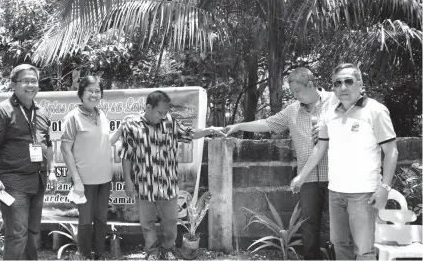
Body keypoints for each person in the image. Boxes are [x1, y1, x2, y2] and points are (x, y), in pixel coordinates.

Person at [224, 67, 339, 260]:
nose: (295, 96)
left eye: (297, 91)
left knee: (338, 225)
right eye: (293, 92)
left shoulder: (336, 101)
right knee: (309, 225)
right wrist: (238, 126)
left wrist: (331, 128)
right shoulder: (293, 110)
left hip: (337, 175)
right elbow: (268, 123)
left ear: (310, 85)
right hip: (307, 176)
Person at [291, 63, 398, 260]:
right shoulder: (330, 113)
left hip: (363, 193)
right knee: (340, 245)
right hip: (336, 192)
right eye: (337, 83)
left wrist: (385, 187)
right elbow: (320, 148)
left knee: (364, 251)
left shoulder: (376, 111)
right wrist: (301, 176)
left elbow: (391, 151)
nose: (343, 87)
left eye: (349, 81)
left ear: (360, 83)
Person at [119, 90, 224, 260]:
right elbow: (126, 156)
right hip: (143, 184)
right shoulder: (132, 125)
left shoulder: (170, 122)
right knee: (147, 224)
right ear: (148, 107)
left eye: (165, 112)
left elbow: (190, 134)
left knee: (171, 222)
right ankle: (152, 252)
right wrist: (128, 181)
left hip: (167, 184)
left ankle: (168, 249)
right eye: (160, 112)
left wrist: (210, 130)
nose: (163, 116)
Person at [0, 64, 57, 260]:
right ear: (14, 84)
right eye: (25, 81)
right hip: (13, 181)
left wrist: (51, 170)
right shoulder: (2, 111)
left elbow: (48, 144)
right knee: (17, 234)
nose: (31, 85)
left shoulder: (42, 112)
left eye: (34, 81)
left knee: (33, 232)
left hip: (38, 180)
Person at [60, 76, 121, 260]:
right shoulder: (73, 117)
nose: (94, 95)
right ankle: (85, 256)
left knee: (102, 219)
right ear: (81, 93)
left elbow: (106, 143)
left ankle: (99, 254)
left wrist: (120, 131)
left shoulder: (101, 114)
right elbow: (65, 149)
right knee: (85, 222)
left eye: (97, 91)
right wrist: (76, 180)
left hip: (105, 178)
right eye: (90, 91)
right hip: (84, 181)